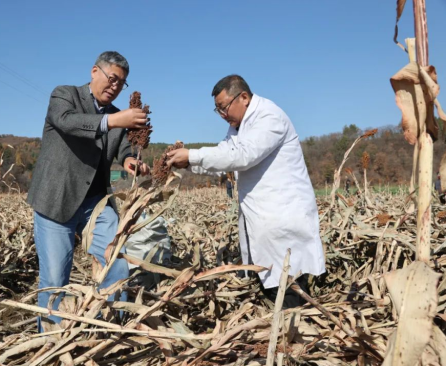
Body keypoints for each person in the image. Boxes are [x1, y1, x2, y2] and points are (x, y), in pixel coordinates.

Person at [167, 75, 326, 308]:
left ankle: (297, 336)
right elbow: (224, 157)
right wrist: (188, 163)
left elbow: (241, 156)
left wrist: (192, 155)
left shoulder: (269, 117)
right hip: (263, 217)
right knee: (273, 284)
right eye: (217, 110)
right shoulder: (238, 128)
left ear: (243, 97)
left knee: (289, 286)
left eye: (224, 107)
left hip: (281, 214)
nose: (222, 115)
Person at [27, 51, 150, 329]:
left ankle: (110, 329)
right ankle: (51, 339)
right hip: (57, 200)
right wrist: (114, 121)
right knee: (56, 277)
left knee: (115, 266)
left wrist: (130, 159)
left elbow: (124, 148)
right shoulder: (65, 95)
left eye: (121, 83)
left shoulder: (117, 116)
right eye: (112, 78)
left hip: (96, 203)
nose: (115, 87)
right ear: (95, 71)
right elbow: (67, 122)